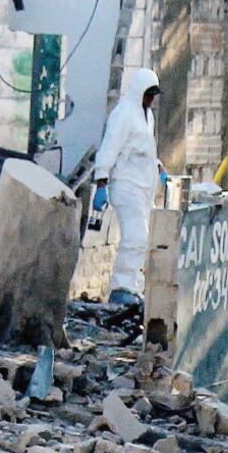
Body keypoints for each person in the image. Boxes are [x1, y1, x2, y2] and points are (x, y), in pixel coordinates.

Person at [92, 68, 166, 303]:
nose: (151, 99)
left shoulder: (147, 116)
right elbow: (110, 148)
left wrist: (157, 166)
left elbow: (142, 148)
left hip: (144, 186)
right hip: (125, 185)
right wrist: (101, 181)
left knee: (145, 239)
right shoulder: (123, 114)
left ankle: (135, 287)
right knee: (136, 236)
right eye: (148, 94)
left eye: (153, 95)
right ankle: (121, 288)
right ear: (138, 91)